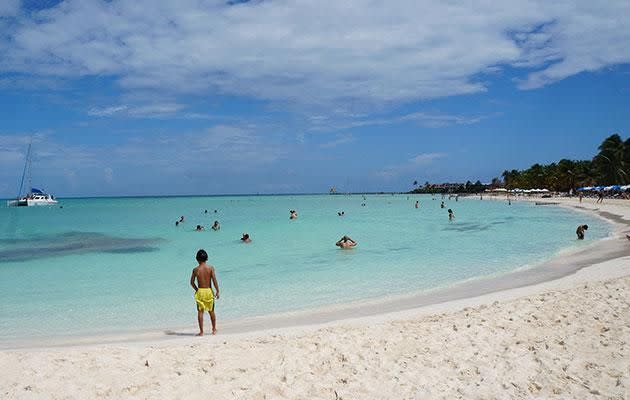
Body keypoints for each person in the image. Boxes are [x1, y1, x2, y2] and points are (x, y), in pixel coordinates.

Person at [190, 249, 220, 336]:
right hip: (208, 291)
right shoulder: (210, 268)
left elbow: (191, 282)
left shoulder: (195, 270)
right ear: (207, 258)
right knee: (211, 311)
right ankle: (214, 329)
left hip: (200, 291)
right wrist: (217, 291)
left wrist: (197, 290)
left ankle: (201, 332)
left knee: (200, 311)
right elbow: (214, 280)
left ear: (197, 259)